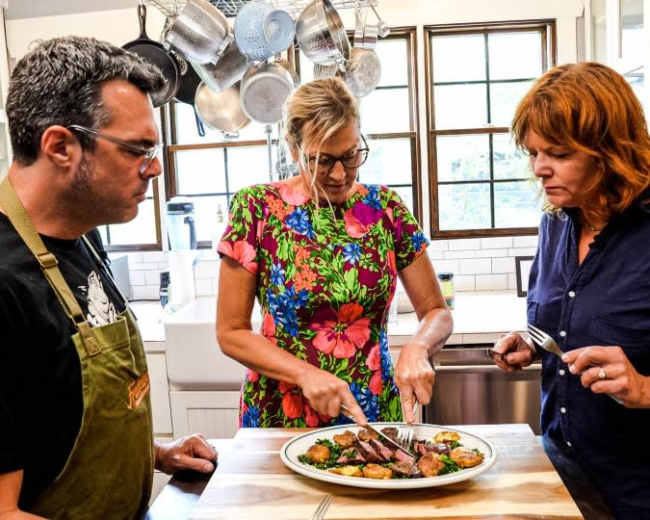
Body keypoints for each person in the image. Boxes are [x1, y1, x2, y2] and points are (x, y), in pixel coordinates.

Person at [0, 37, 217, 519]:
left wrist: (155, 453)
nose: (155, 168)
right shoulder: (5, 283)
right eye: (137, 149)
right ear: (60, 146)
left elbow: (54, 421)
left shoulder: (83, 237)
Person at [216, 78, 452, 428]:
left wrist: (419, 347)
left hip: (371, 408)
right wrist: (303, 374)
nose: (341, 174)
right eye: (324, 161)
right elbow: (230, 331)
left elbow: (436, 312)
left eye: (351, 155)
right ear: (293, 149)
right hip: (283, 411)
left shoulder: (385, 208)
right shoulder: (256, 209)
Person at [492, 62, 650, 519]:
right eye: (533, 152)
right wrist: (532, 343)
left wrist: (643, 388)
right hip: (562, 475)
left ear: (610, 149)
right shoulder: (555, 223)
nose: (540, 169)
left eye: (558, 153)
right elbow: (563, 328)